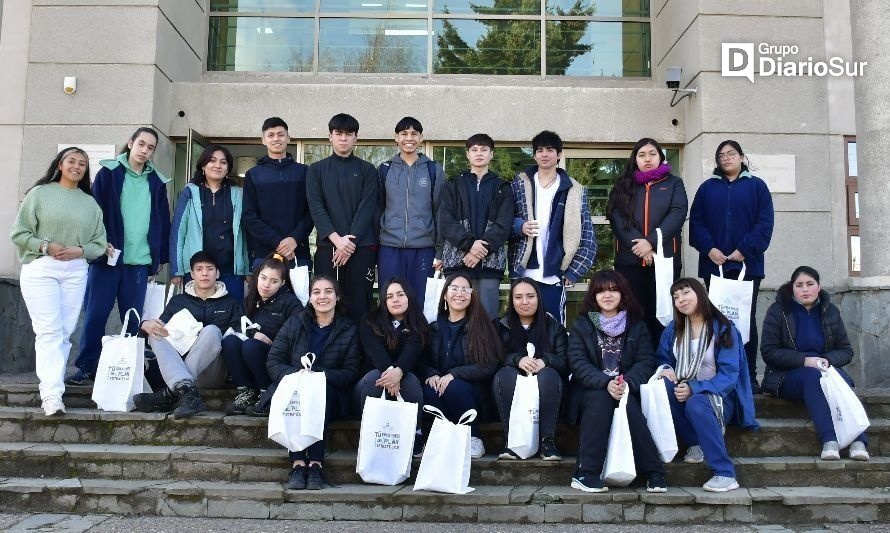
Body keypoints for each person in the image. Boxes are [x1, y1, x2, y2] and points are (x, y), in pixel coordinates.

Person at [68, 127, 171, 386]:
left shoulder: (157, 181)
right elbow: (95, 212)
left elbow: (162, 220)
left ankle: (128, 367)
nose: (145, 150)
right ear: (130, 143)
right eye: (141, 144)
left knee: (133, 319)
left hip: (139, 263)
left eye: (150, 147)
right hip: (107, 259)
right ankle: (87, 366)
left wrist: (159, 257)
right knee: (96, 314)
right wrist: (100, 244)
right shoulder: (109, 173)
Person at [10, 147, 107, 416]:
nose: (77, 166)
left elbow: (99, 244)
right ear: (60, 164)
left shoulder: (90, 203)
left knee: (63, 333)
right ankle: (52, 395)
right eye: (72, 161)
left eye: (82, 164)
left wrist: (80, 250)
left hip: (75, 270)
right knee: (49, 331)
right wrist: (45, 246)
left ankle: (53, 388)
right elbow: (18, 233)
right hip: (42, 268)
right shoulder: (40, 194)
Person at [566, 270, 666, 493]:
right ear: (593, 296)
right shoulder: (582, 325)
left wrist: (625, 383)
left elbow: (645, 361)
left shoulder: (637, 325)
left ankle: (654, 472)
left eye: (613, 289)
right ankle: (586, 473)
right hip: (589, 391)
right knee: (601, 398)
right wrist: (605, 382)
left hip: (626, 388)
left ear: (623, 293)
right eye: (601, 291)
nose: (607, 295)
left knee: (628, 404)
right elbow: (577, 362)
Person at [656, 277, 758, 493]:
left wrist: (695, 388)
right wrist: (665, 367)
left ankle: (725, 472)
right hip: (684, 390)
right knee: (662, 387)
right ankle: (695, 443)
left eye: (686, 292)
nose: (681, 299)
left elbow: (730, 375)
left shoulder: (724, 328)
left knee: (696, 403)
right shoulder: (674, 329)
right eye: (676, 296)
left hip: (719, 397)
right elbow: (661, 358)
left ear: (700, 294)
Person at [689, 140, 774, 394]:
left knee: (746, 322)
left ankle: (749, 376)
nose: (726, 158)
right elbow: (696, 224)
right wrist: (710, 248)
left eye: (731, 154)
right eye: (722, 155)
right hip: (714, 266)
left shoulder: (757, 187)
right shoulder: (706, 189)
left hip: (747, 267)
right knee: (716, 321)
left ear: (741, 157)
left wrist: (743, 250)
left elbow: (765, 224)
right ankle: (717, 372)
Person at [761, 266, 869, 461]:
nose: (805, 289)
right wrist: (805, 360)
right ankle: (829, 440)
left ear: (818, 287)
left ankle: (858, 442)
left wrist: (827, 361)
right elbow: (769, 352)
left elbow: (846, 350)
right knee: (813, 377)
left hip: (825, 370)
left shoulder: (830, 311)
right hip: (786, 376)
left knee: (842, 379)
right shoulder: (778, 310)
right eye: (799, 285)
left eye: (810, 284)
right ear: (792, 288)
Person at [266, 275, 360, 490]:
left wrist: (317, 374)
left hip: (331, 394)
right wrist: (299, 376)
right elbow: (273, 361)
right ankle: (298, 463)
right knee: (302, 392)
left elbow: (350, 373)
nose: (322, 296)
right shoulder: (295, 322)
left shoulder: (348, 329)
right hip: (295, 389)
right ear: (309, 298)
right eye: (316, 292)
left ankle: (316, 463)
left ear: (337, 297)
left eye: (328, 291)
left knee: (318, 394)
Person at [134, 251, 242, 419]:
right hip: (178, 365)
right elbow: (161, 328)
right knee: (155, 333)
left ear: (217, 273)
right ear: (192, 274)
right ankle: (186, 391)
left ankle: (171, 393)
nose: (204, 273)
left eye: (209, 269)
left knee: (211, 331)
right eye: (199, 269)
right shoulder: (178, 301)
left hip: (212, 371)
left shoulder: (232, 303)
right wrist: (144, 325)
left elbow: (239, 336)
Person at [510, 130, 597, 324]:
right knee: (520, 331)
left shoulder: (575, 190)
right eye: (540, 150)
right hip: (524, 272)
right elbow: (504, 220)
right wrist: (519, 226)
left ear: (559, 154)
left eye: (550, 149)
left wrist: (574, 271)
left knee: (554, 332)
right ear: (534, 155)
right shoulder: (519, 184)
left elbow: (588, 237)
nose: (544, 154)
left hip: (555, 275)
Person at [606, 138, 687, 343]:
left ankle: (663, 364)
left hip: (664, 259)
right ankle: (637, 366)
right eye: (641, 155)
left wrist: (650, 242)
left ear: (660, 157)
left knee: (663, 314)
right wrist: (641, 247)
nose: (647, 159)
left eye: (652, 154)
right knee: (633, 314)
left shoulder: (673, 183)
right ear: (635, 159)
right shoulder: (623, 185)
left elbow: (677, 213)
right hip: (629, 262)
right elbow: (616, 217)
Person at [419, 273, 502, 458]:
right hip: (439, 387)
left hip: (472, 393)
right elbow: (421, 361)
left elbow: (489, 365)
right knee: (427, 391)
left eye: (465, 289)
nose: (460, 293)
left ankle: (473, 437)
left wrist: (454, 375)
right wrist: (431, 373)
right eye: (454, 288)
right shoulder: (434, 327)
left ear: (472, 295)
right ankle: (442, 439)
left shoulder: (482, 326)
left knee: (454, 387)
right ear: (445, 295)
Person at [307, 113, 379, 326]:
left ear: (356, 137)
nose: (343, 138)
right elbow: (316, 208)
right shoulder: (316, 170)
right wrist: (337, 240)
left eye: (349, 134)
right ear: (330, 136)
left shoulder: (368, 170)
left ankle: (358, 357)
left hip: (361, 248)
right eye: (338, 133)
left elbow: (367, 209)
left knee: (360, 305)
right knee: (326, 303)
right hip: (327, 247)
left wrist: (348, 243)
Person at [492, 278, 568, 461]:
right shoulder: (500, 326)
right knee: (505, 374)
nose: (524, 302)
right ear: (511, 300)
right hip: (512, 386)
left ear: (538, 298)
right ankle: (511, 441)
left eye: (530, 296)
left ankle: (547, 441)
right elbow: (493, 360)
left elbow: (565, 361)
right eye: (518, 297)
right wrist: (517, 360)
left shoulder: (553, 326)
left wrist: (545, 361)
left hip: (545, 386)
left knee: (549, 375)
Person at [438, 133, 513, 319]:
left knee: (487, 319)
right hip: (458, 262)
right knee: (458, 317)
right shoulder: (453, 185)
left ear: (491, 154)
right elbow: (445, 221)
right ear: (467, 154)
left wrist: (480, 249)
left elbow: (504, 224)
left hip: (490, 266)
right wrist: (470, 245)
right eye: (474, 149)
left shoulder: (502, 187)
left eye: (484, 149)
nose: (479, 153)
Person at [354, 277, 430, 456]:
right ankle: (370, 436)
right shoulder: (370, 320)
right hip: (369, 388)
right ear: (383, 301)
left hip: (405, 388)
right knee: (375, 377)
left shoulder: (419, 324)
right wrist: (392, 374)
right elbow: (375, 351)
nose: (395, 299)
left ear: (409, 297)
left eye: (400, 294)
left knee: (410, 379)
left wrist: (399, 372)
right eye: (389, 296)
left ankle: (416, 434)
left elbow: (411, 352)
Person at [221, 253, 303, 415]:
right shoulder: (249, 299)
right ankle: (246, 391)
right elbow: (235, 322)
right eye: (263, 278)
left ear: (282, 283)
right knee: (230, 341)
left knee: (251, 346)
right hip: (252, 352)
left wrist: (273, 342)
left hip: (277, 359)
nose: (266, 285)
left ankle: (266, 392)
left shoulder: (290, 303)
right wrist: (253, 333)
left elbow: (297, 332)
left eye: (274, 281)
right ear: (257, 277)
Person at [377, 117, 446, 307]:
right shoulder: (384, 169)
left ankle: (420, 337)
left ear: (421, 138)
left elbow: (440, 211)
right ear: (396, 137)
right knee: (391, 301)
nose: (409, 138)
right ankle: (390, 338)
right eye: (404, 133)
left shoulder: (433, 170)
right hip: (390, 247)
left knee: (421, 302)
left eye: (414, 133)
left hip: (423, 246)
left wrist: (439, 251)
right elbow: (377, 209)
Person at [169, 144, 249, 302]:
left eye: (223, 162)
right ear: (203, 165)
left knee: (232, 317)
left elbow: (245, 234)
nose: (217, 165)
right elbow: (178, 232)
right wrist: (176, 269)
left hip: (230, 270)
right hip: (198, 271)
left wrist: (247, 268)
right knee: (195, 320)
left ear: (228, 169)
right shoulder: (190, 192)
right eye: (212, 160)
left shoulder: (237, 194)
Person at [242, 117, 313, 270]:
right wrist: (279, 243)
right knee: (265, 294)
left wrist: (294, 239)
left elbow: (312, 212)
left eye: (280, 134)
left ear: (288, 138)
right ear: (263, 140)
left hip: (298, 252)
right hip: (264, 254)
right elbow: (249, 216)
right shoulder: (253, 175)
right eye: (271, 135)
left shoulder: (304, 172)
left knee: (298, 295)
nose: (276, 139)